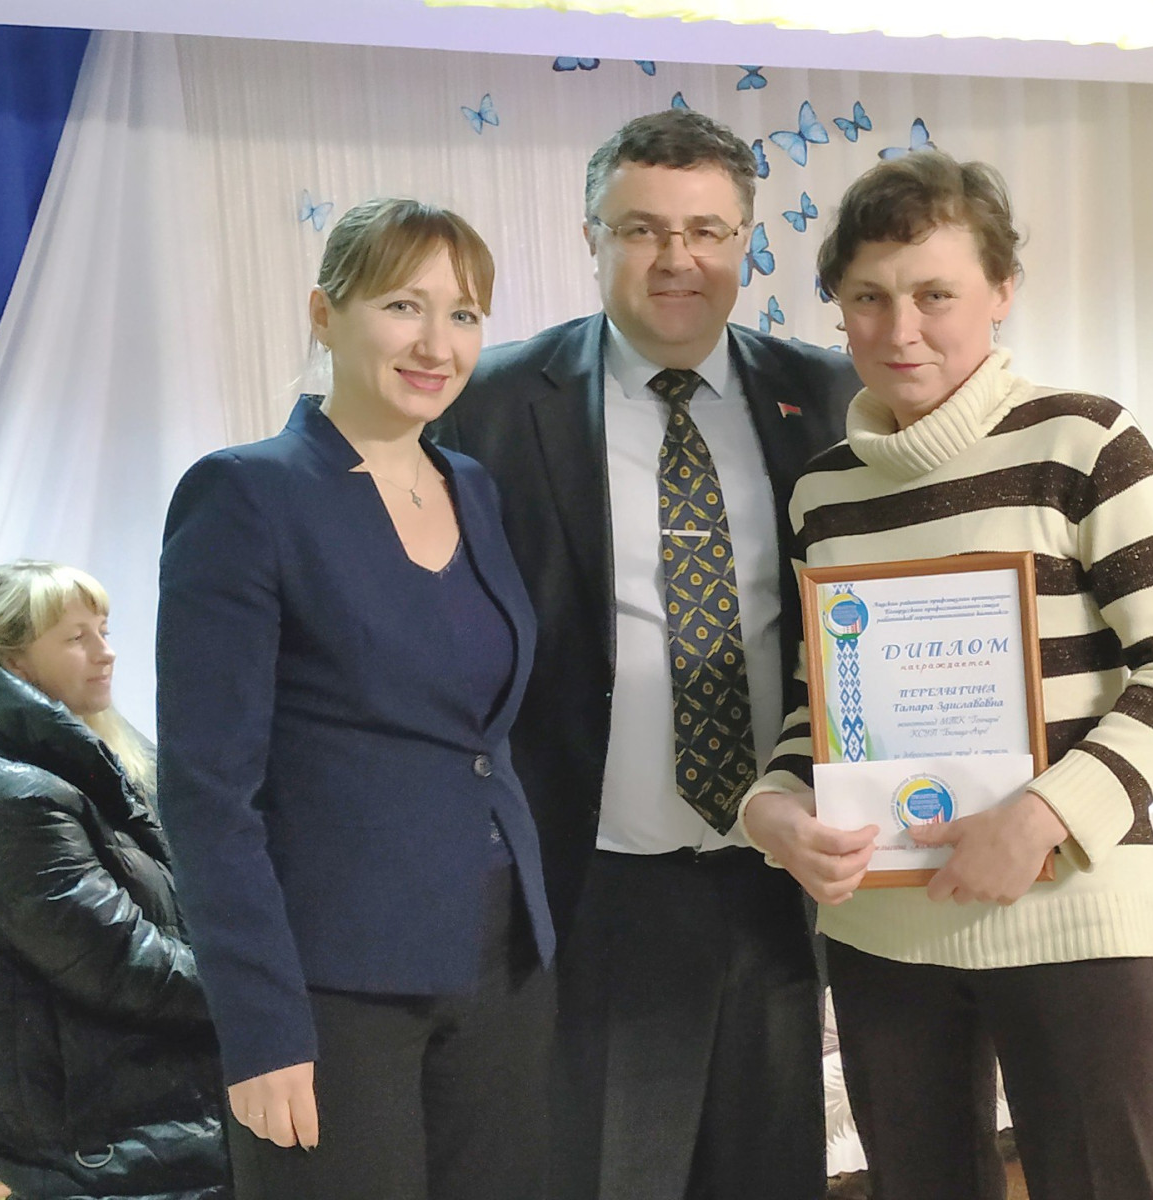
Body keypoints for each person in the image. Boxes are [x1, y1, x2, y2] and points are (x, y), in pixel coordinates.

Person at [741, 150, 1153, 1200]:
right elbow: (819, 704)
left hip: (1069, 914)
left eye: (935, 294)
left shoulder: (1083, 439)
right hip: (881, 928)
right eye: (867, 297)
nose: (900, 329)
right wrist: (774, 803)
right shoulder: (824, 492)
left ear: (1001, 291)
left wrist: (1042, 816)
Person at [438, 108, 858, 1200]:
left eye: (707, 231)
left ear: (745, 242)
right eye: (642, 229)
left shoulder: (828, 398)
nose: (678, 258)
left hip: (778, 877)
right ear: (591, 237)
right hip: (590, 887)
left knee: (770, 1172)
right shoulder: (487, 408)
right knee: (600, 1174)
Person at [155, 198, 555, 1200]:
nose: (436, 344)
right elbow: (208, 793)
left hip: (502, 956)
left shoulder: (472, 486)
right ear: (324, 314)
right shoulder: (246, 494)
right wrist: (260, 1028)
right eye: (402, 306)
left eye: (463, 314)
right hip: (333, 985)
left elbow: (481, 734)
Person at [0, 560, 229, 1200]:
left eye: (103, 630)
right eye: (77, 638)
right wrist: (262, 993)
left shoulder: (98, 762)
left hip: (115, 1062)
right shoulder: (6, 800)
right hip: (70, 1112)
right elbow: (124, 965)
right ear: (15, 662)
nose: (106, 653)